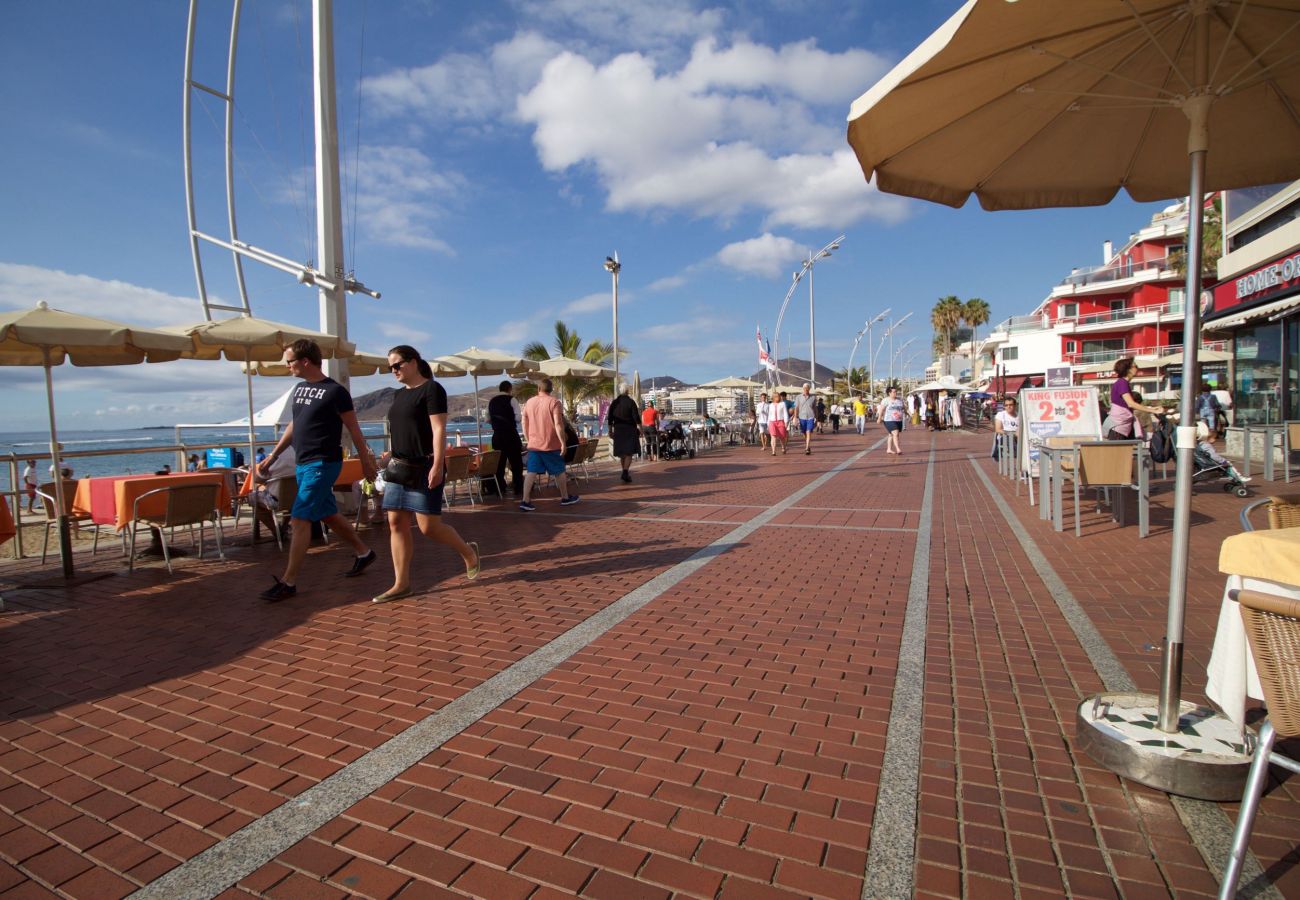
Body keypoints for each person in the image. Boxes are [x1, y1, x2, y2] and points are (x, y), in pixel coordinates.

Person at [256, 339, 379, 602]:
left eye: (289, 361)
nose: (287, 366)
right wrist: (273, 456)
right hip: (303, 463)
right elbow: (294, 424)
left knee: (300, 519)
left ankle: (289, 582)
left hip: (323, 463)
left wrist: (366, 461)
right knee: (328, 513)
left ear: (305, 361)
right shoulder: (300, 389)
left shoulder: (335, 392)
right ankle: (364, 552)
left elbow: (354, 429)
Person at [372, 345, 479, 604]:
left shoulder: (432, 389)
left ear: (414, 362)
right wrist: (389, 452)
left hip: (424, 465)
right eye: (390, 368)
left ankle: (469, 554)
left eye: (397, 365)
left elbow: (439, 429)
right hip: (398, 467)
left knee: (428, 527)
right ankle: (401, 583)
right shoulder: (398, 395)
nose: (394, 371)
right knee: (395, 523)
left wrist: (437, 464)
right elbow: (403, 429)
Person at [520, 378, 579, 511]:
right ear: (551, 390)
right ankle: (565, 497)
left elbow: (524, 423)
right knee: (559, 470)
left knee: (531, 472)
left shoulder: (529, 402)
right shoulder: (554, 402)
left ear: (538, 389)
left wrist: (529, 439)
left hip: (534, 444)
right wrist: (563, 443)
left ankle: (525, 500)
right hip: (551, 443)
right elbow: (558, 424)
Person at [1102, 357, 1163, 440]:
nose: (1137, 368)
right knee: (1119, 452)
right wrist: (1153, 410)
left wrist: (1152, 408)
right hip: (1118, 426)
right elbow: (1130, 403)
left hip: (1121, 425)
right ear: (1128, 369)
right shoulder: (1122, 383)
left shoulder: (1122, 383)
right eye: (1135, 366)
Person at [487, 380, 524, 497]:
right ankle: (518, 487)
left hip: (497, 436)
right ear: (510, 389)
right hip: (511, 435)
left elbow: (487, 419)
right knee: (516, 463)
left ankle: (500, 488)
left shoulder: (492, 401)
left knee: (500, 464)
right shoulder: (512, 400)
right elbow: (518, 418)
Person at [607, 383, 641, 482]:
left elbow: (610, 418)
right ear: (627, 391)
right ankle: (625, 472)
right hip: (629, 429)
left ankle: (624, 472)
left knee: (622, 453)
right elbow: (636, 418)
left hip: (618, 429)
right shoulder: (631, 402)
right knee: (629, 452)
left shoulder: (614, 402)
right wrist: (641, 430)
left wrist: (610, 430)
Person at [878, 385, 906, 454]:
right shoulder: (886, 400)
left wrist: (911, 414)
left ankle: (889, 449)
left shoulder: (900, 400)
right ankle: (898, 449)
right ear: (889, 393)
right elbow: (881, 409)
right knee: (895, 433)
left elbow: (904, 408)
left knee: (891, 434)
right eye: (894, 392)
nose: (895, 393)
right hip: (889, 420)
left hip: (898, 420)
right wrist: (879, 418)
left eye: (896, 392)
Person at [795, 384, 818, 455]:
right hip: (802, 417)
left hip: (810, 417)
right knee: (804, 432)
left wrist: (816, 417)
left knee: (808, 432)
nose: (806, 389)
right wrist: (795, 417)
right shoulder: (798, 397)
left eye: (807, 388)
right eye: (805, 388)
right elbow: (796, 408)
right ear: (803, 389)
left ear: (809, 389)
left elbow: (815, 408)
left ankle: (807, 447)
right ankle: (807, 443)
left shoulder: (813, 398)